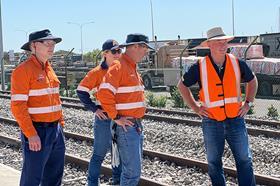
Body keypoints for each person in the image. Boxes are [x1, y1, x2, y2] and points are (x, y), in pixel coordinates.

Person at [177, 27, 257, 186]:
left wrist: (248, 102)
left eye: (224, 41)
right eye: (218, 42)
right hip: (212, 122)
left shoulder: (237, 62)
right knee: (214, 162)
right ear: (209, 45)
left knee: (244, 160)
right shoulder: (199, 66)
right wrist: (195, 108)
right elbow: (182, 86)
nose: (222, 45)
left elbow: (253, 81)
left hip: (236, 119)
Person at [97, 33, 153, 186]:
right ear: (135, 46)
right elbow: (104, 93)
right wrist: (115, 117)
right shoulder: (119, 66)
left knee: (132, 171)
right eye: (145, 48)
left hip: (134, 125)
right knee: (131, 173)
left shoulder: (130, 67)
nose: (146, 51)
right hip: (126, 126)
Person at [11, 29, 65, 186]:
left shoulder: (49, 69)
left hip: (55, 130)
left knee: (54, 177)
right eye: (47, 43)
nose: (52, 46)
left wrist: (60, 125)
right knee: (32, 179)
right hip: (37, 131)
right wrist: (31, 134)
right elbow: (18, 106)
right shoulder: (22, 71)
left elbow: (55, 99)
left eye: (53, 43)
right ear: (33, 46)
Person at [76, 39, 122, 186]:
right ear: (105, 54)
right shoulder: (97, 72)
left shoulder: (122, 69)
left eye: (119, 51)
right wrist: (94, 108)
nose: (117, 54)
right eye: (114, 51)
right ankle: (92, 183)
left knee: (118, 154)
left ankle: (117, 181)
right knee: (99, 154)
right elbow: (81, 90)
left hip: (121, 117)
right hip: (105, 118)